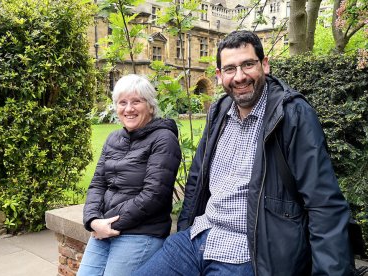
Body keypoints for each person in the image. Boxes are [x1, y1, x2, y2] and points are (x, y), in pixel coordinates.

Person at [134, 31, 353, 275]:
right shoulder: (219, 111)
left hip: (249, 252)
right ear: (219, 76)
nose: (239, 77)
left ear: (265, 65)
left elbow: (323, 202)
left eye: (248, 64)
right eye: (229, 69)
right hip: (198, 239)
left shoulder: (292, 115)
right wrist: (185, 229)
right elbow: (196, 180)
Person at [77, 74, 181, 276]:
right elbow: (98, 184)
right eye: (122, 102)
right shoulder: (114, 138)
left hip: (142, 232)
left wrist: (108, 224)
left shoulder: (163, 139)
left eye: (136, 101)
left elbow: (154, 195)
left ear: (150, 106)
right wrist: (92, 221)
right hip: (104, 229)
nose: (129, 108)